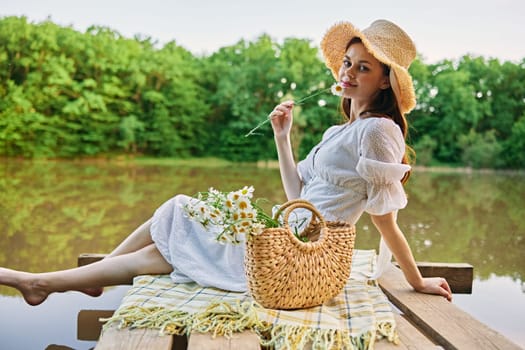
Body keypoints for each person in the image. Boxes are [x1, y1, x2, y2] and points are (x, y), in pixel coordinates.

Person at [0, 19, 452, 306]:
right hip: (289, 234)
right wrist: (282, 137)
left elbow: (386, 221)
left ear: (386, 83)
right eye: (347, 64)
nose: (347, 74)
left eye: (362, 69)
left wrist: (417, 281)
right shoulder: (341, 132)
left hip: (302, 259)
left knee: (173, 232)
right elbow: (299, 199)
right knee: (176, 214)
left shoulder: (378, 131)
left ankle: (49, 282)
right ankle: (77, 280)